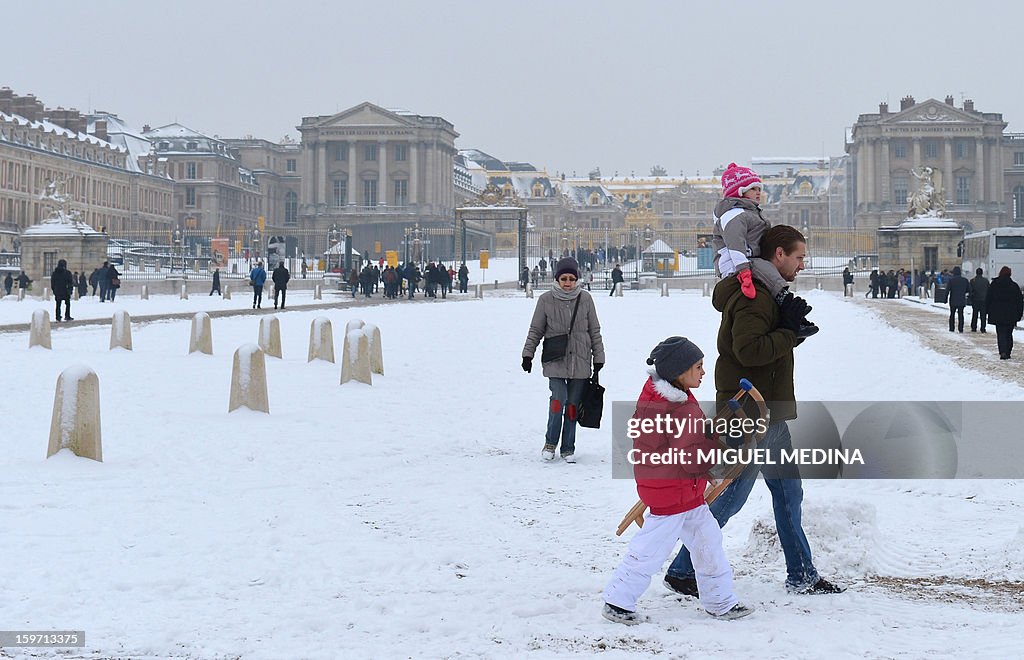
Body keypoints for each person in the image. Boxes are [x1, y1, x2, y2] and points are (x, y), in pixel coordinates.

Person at [664, 225, 843, 597]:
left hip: (767, 412)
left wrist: (789, 329)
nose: (802, 264)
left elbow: (762, 349)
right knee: (730, 495)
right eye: (798, 257)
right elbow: (748, 351)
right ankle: (683, 569)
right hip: (747, 412)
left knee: (788, 492)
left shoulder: (768, 294)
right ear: (778, 255)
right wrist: (789, 334)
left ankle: (801, 573)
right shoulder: (754, 297)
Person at [602, 337, 753, 625]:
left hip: (686, 492)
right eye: (698, 367)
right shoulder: (669, 406)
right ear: (678, 371)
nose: (703, 372)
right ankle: (617, 601)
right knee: (651, 549)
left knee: (708, 541)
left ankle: (720, 601)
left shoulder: (676, 395)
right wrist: (719, 449)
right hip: (670, 493)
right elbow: (691, 457)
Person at [713, 162, 817, 337]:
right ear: (739, 191)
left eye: (759, 188)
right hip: (735, 262)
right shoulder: (734, 214)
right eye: (753, 188)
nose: (759, 192)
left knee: (765, 269)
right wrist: (743, 269)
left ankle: (792, 313)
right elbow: (735, 244)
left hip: (747, 259)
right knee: (766, 269)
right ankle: (785, 300)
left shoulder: (749, 212)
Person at [521, 257, 605, 462]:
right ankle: (550, 442)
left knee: (573, 405)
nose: (567, 283)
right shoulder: (546, 300)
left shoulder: (585, 299)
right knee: (558, 401)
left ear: (576, 279)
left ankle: (568, 447)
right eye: (564, 278)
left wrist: (599, 357)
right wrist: (528, 354)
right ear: (557, 279)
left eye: (571, 278)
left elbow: (594, 330)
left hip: (581, 360)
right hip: (555, 360)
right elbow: (536, 329)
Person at [986, 266, 1023, 360]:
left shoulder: (994, 284)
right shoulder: (1014, 286)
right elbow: (1019, 301)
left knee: (1001, 333)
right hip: (1011, 314)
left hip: (997, 313)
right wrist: (1019, 314)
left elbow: (988, 299)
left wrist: (987, 311)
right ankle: (1008, 351)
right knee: (1009, 333)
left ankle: (1002, 351)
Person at [946, 266, 970, 333]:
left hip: (953, 300)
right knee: (961, 314)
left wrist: (944, 299)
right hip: (961, 300)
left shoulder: (951, 280)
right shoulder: (965, 280)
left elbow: (947, 290)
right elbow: (969, 290)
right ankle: (960, 328)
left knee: (952, 314)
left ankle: (952, 328)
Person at [969, 267, 989, 333]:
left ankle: (974, 327)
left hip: (975, 300)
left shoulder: (972, 281)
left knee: (975, 315)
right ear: (982, 273)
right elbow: (988, 290)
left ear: (976, 273)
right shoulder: (986, 281)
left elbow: (970, 291)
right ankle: (983, 328)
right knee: (983, 316)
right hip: (984, 300)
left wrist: (971, 299)